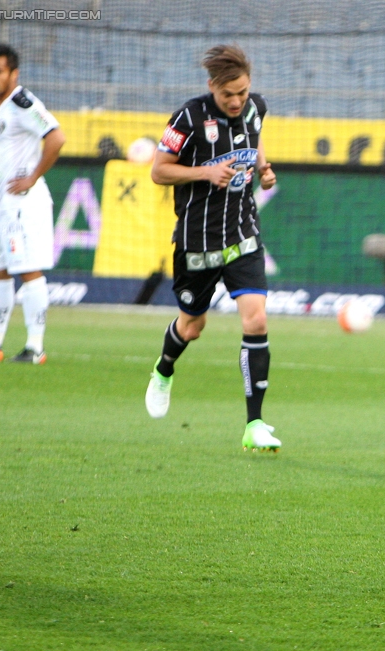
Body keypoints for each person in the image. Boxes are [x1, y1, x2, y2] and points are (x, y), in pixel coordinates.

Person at [145, 44, 281, 452]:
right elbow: (158, 171)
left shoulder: (257, 107)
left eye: (242, 92)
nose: (237, 101)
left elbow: (252, 142)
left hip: (242, 234)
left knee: (255, 320)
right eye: (228, 95)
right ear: (212, 88)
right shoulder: (187, 116)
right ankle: (164, 369)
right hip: (197, 241)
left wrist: (262, 167)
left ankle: (254, 424)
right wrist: (206, 171)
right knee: (193, 326)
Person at [0, 43, 65, 365]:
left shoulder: (23, 104)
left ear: (14, 73)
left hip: (24, 203)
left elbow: (56, 137)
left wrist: (33, 177)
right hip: (2, 205)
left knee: (28, 270)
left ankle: (35, 347)